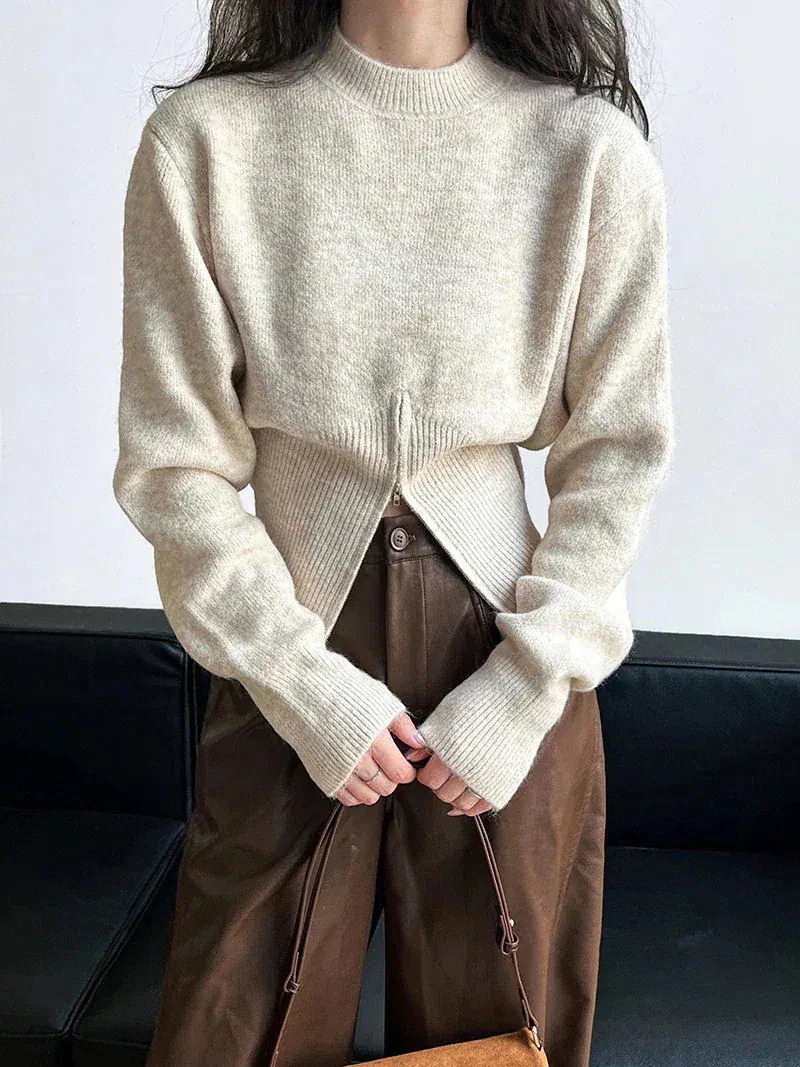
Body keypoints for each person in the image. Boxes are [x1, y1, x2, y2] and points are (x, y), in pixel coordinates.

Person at [112, 3, 675, 1065]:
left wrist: (522, 686)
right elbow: (173, 466)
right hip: (292, 645)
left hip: (508, 657)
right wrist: (301, 682)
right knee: (231, 1033)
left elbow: (618, 451)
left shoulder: (587, 151)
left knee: (495, 1041)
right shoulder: (207, 140)